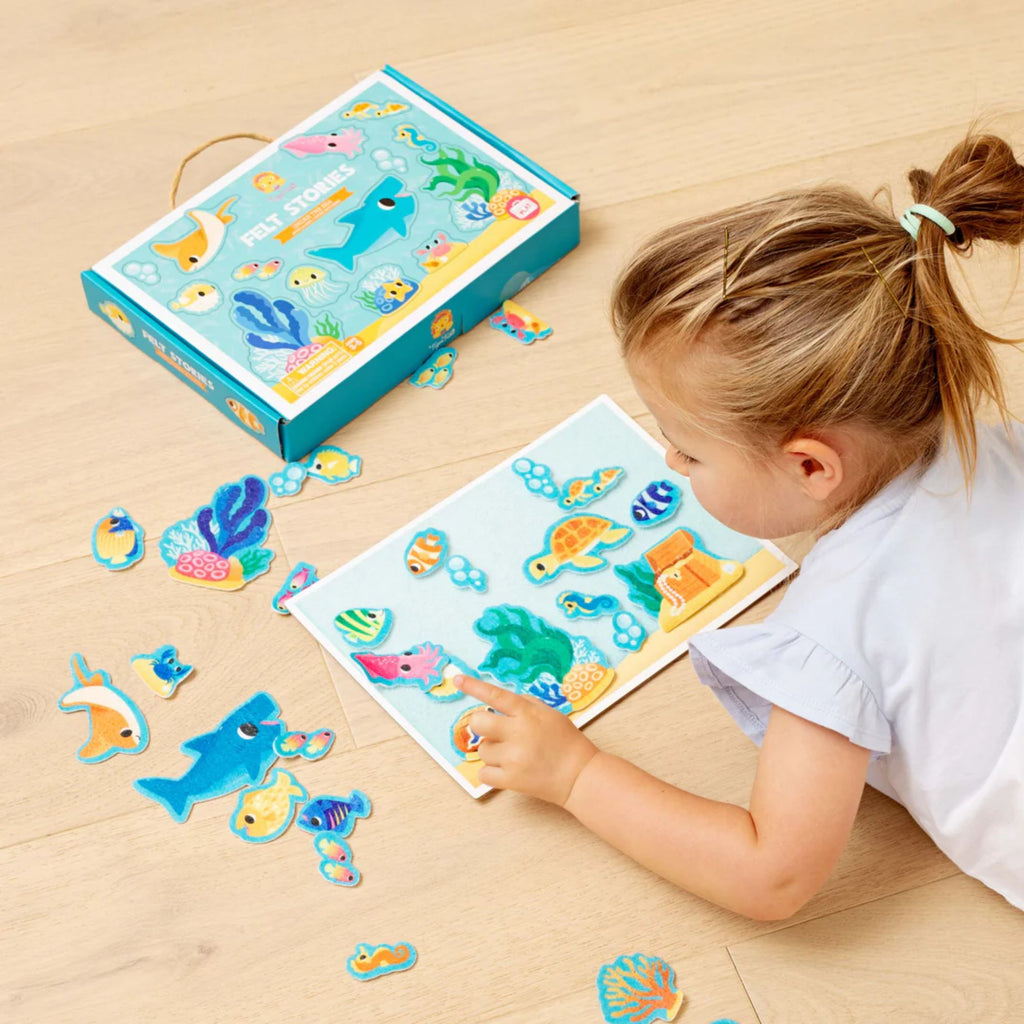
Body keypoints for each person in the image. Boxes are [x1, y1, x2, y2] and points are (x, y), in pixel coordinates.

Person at [456, 131, 1024, 920]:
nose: (666, 460)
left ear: (813, 467)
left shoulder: (830, 636)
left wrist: (577, 774)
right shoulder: (997, 444)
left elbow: (773, 875)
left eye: (688, 450)